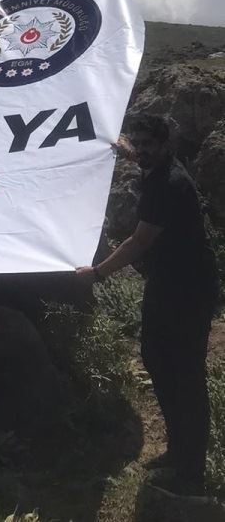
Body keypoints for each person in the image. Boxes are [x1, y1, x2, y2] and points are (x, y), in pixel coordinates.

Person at [76, 115, 218, 495]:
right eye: (138, 145)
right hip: (167, 285)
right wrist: (123, 147)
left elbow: (138, 242)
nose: (141, 151)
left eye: (148, 145)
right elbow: (138, 155)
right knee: (156, 360)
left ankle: (191, 474)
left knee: (185, 375)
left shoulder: (168, 184)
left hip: (187, 291)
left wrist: (98, 273)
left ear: (166, 144)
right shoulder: (158, 168)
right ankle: (177, 451)